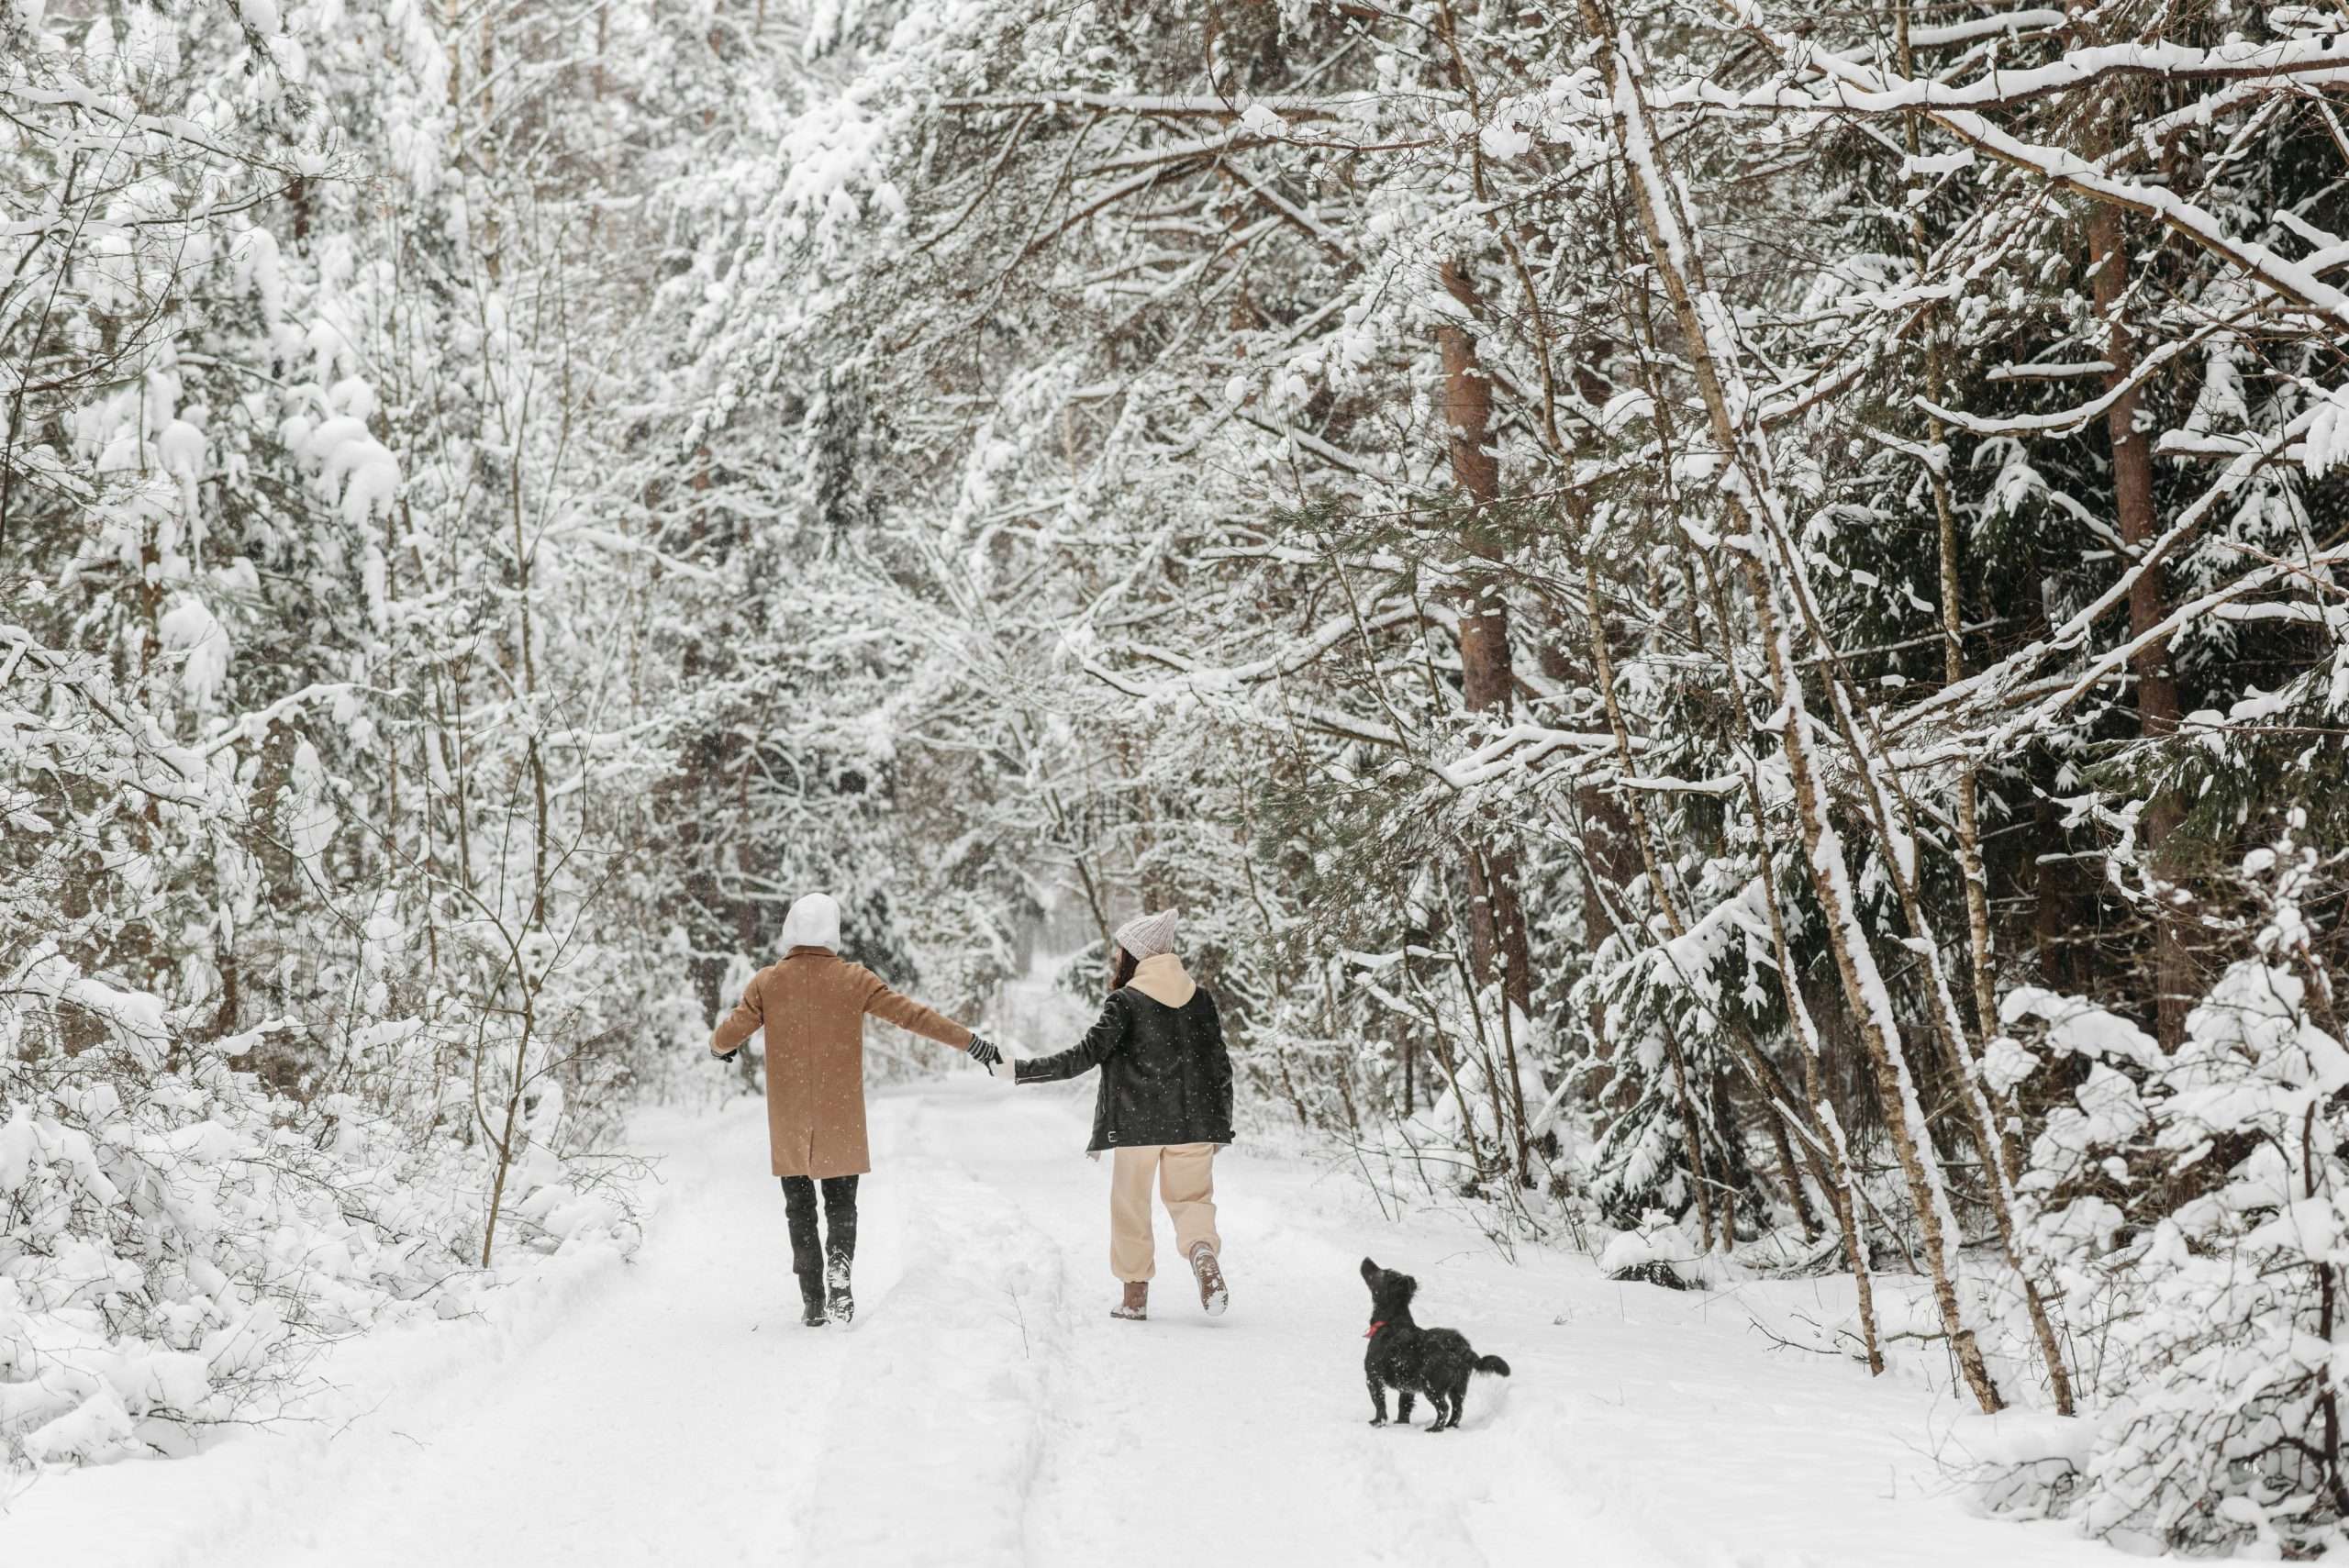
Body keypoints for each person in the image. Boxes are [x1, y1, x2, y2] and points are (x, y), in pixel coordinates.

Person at [709, 892, 1005, 1327]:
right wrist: (971, 1043)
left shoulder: (767, 982)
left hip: (790, 1117)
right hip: (839, 1110)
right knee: (841, 1203)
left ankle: (812, 1299)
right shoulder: (854, 979)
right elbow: (914, 1016)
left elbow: (729, 1032)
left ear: (790, 931)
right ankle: (839, 1271)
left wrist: (721, 1049)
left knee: (799, 1207)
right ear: (833, 931)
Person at [1007, 909, 1234, 1321]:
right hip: (1197, 1122)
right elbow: (1220, 1065)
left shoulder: (1126, 1002)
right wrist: (1220, 1125)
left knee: (1131, 1206)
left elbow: (1085, 1055)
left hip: (1138, 1125)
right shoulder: (1201, 999)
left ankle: (1134, 1298)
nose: (1116, 958)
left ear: (1135, 955)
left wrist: (1022, 1070)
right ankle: (1202, 1251)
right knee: (1192, 1200)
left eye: (1121, 951)